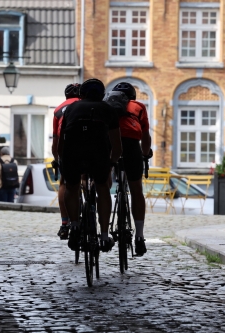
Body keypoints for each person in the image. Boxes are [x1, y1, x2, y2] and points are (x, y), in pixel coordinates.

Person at [58, 78, 122, 252]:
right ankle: (103, 235)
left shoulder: (71, 108)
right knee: (102, 188)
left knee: (71, 187)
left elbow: (61, 140)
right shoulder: (108, 109)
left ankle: (75, 225)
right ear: (102, 94)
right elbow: (117, 144)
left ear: (82, 94)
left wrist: (61, 159)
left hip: (73, 153)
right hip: (98, 153)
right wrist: (111, 162)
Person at [111, 82, 152, 256]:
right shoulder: (139, 106)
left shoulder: (107, 105)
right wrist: (145, 154)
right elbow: (145, 135)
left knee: (102, 185)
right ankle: (140, 236)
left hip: (110, 146)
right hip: (131, 146)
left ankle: (103, 232)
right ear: (132, 97)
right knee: (136, 190)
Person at [52, 83, 80, 239]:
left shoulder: (58, 110)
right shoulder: (87, 105)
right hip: (88, 147)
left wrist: (57, 158)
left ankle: (65, 223)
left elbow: (56, 138)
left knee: (65, 183)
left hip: (67, 148)